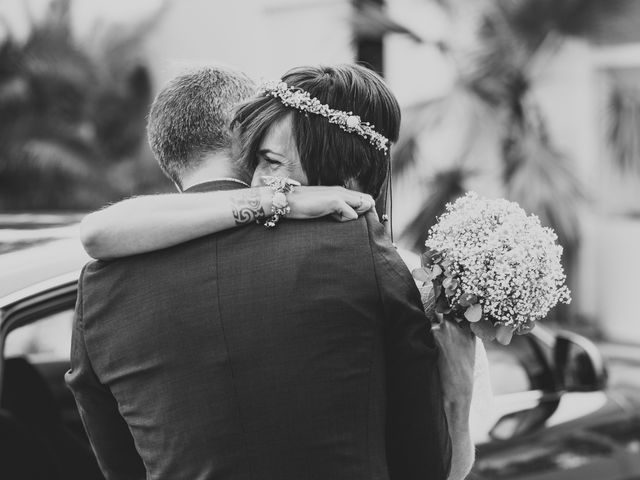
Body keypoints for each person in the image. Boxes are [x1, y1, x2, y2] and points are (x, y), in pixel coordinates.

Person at [68, 64, 473, 480]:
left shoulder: (98, 290)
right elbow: (425, 465)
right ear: (244, 131)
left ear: (168, 160)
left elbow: (121, 467)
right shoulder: (353, 242)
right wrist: (459, 392)